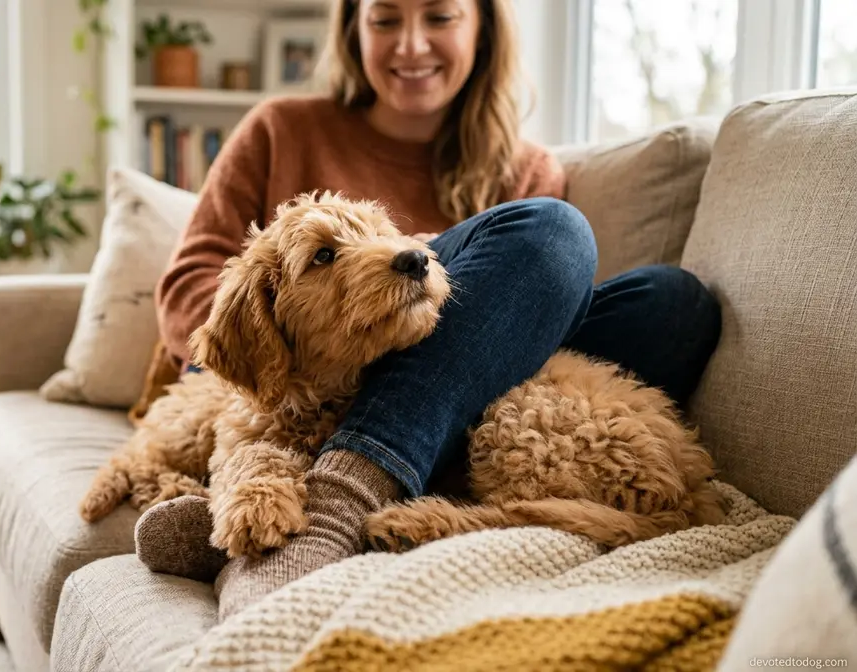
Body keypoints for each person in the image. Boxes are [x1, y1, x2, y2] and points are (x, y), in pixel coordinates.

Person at [133, 0, 721, 622]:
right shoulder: (279, 127)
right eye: (386, 20)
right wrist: (315, 339)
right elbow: (189, 288)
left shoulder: (524, 168)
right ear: (354, 32)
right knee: (551, 233)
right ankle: (334, 500)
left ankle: (359, 465)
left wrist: (422, 305)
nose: (411, 46)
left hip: (453, 364)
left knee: (661, 298)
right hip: (300, 377)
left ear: (482, 30)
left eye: (439, 17)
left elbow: (524, 309)